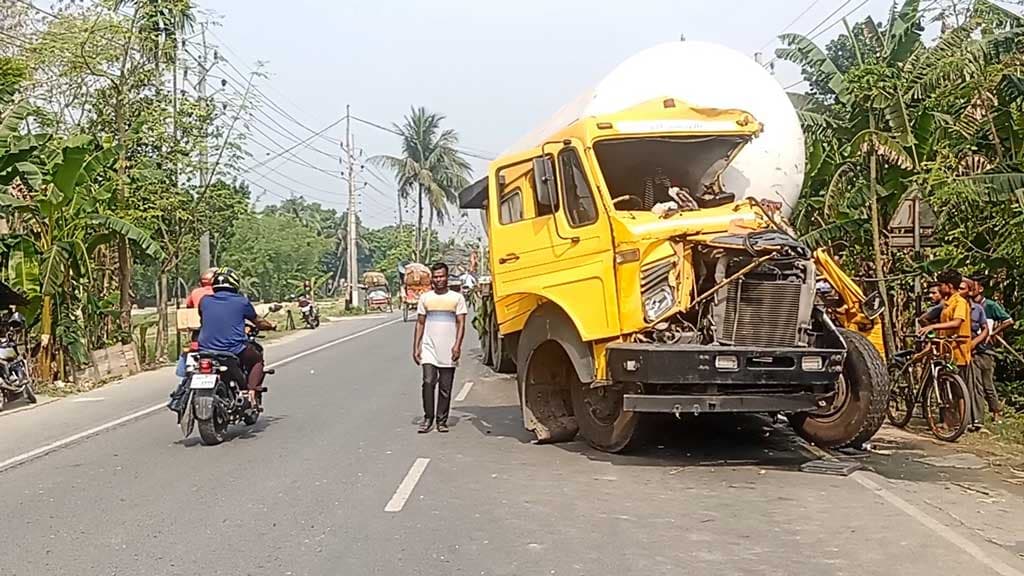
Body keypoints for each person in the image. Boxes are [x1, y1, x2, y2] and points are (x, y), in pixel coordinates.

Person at [198, 268, 274, 405]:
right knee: (257, 359)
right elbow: (257, 321)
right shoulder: (242, 302)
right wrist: (271, 326)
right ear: (234, 283)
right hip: (234, 349)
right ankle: (251, 392)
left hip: (205, 349)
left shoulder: (204, 301)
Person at [412, 262, 467, 434]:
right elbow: (420, 323)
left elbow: (461, 323)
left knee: (445, 387)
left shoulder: (456, 298)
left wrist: (457, 345)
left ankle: (441, 420)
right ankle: (428, 418)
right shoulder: (425, 298)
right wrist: (416, 347)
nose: (439, 279)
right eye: (436, 277)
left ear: (447, 277)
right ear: (432, 279)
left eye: (442, 276)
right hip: (429, 348)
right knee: (428, 382)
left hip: (449, 349)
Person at [919, 269, 973, 428]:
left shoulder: (960, 302)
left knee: (958, 391)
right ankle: (948, 421)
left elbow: (957, 323)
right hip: (945, 350)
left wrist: (933, 326)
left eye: (942, 284)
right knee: (945, 388)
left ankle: (962, 421)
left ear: (949, 286)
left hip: (958, 351)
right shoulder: (947, 303)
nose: (940, 287)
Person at [973, 277, 1013, 420]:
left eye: (974, 286)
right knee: (975, 385)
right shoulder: (969, 305)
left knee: (987, 384)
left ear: (980, 289)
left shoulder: (990, 305)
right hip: (972, 349)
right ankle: (977, 417)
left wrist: (993, 333)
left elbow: (1008, 320)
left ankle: (996, 411)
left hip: (986, 349)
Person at [961, 278, 989, 430]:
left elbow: (985, 329)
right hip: (955, 349)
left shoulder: (977, 309)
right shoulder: (950, 306)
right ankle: (960, 420)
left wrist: (974, 342)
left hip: (973, 350)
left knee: (975, 385)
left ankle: (977, 420)